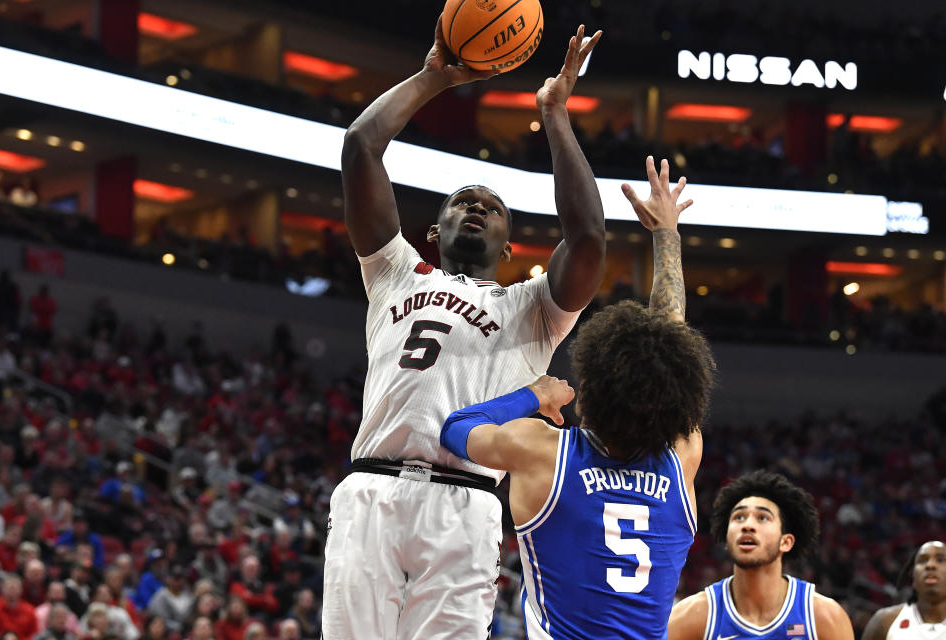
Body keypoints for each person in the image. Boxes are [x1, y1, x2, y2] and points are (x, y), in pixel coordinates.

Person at [324, 17, 606, 638]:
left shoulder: (533, 308)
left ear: (509, 246)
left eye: (493, 207)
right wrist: (432, 78)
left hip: (466, 500)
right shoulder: (394, 270)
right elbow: (359, 146)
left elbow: (587, 238)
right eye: (461, 201)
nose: (476, 206)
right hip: (373, 488)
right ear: (434, 230)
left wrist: (555, 116)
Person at [441, 159, 709, 638]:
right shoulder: (683, 457)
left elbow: (455, 427)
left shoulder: (543, 450)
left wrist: (532, 394)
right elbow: (670, 347)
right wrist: (667, 232)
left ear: (591, 388)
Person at [668, 471, 854, 640]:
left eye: (762, 518)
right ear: (727, 539)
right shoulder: (692, 617)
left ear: (786, 542)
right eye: (739, 517)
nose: (747, 525)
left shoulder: (824, 617)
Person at [861, 540, 946, 640]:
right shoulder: (885, 621)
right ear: (913, 575)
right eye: (922, 560)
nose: (930, 565)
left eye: (940, 560)